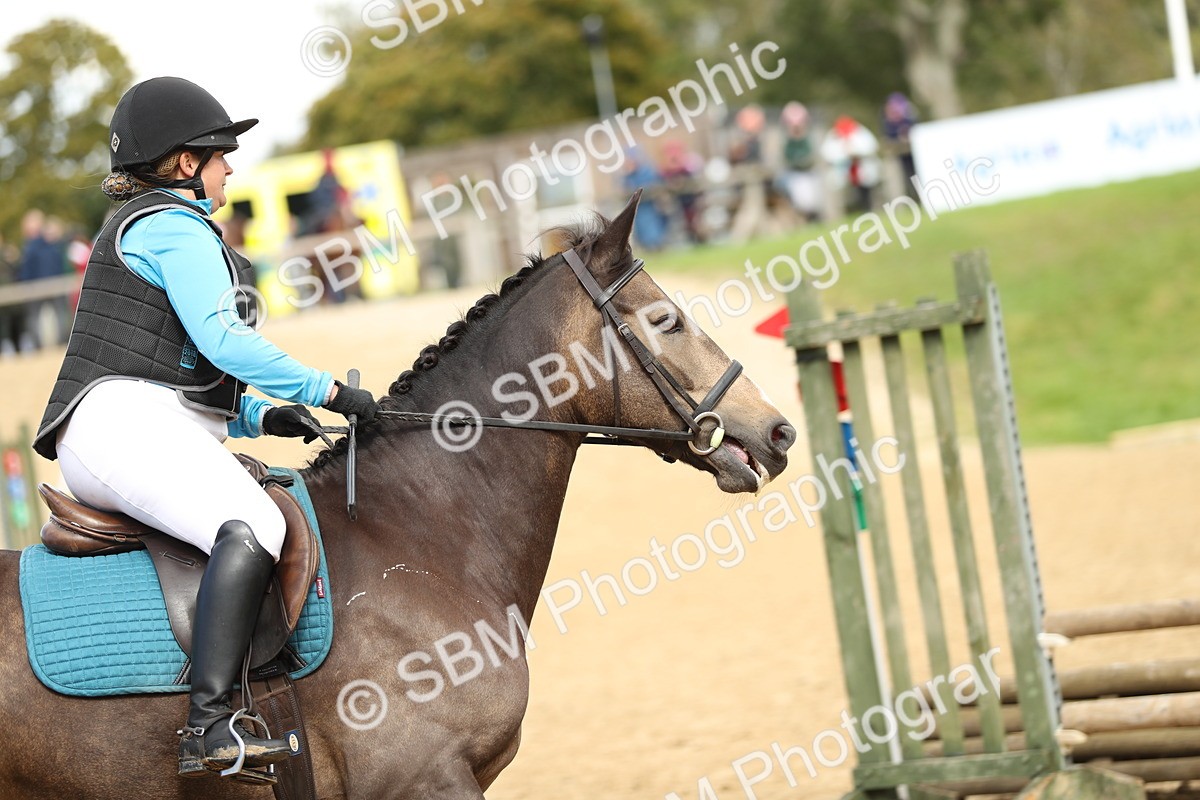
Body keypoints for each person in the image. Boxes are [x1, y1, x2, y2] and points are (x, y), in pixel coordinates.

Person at [31, 77, 380, 780]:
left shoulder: (165, 228)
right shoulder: (170, 224)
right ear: (184, 163)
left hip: (134, 421)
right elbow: (222, 341)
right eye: (221, 153)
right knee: (254, 524)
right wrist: (330, 389)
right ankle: (210, 724)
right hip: (116, 427)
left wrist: (259, 412)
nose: (230, 166)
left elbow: (183, 372)